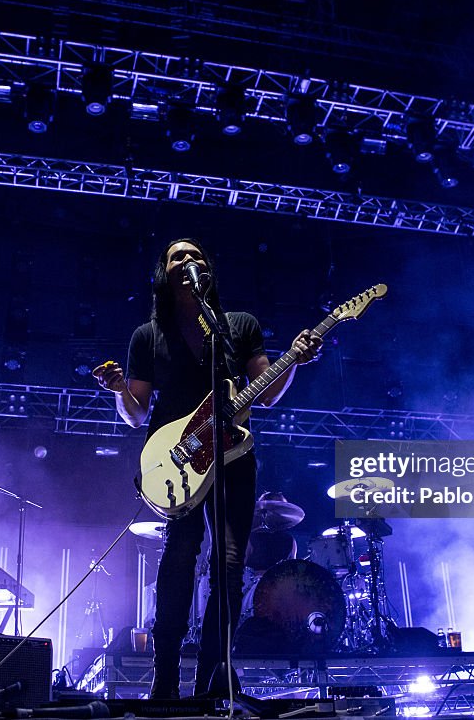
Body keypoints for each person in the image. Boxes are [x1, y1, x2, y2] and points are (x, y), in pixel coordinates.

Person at [94, 238, 322, 698]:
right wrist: (120, 389)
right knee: (180, 555)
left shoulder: (237, 327)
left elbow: (268, 391)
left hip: (233, 458)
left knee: (231, 565)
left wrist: (294, 360)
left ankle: (214, 674)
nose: (188, 262)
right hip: (174, 457)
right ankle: (164, 677)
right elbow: (136, 412)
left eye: (196, 256)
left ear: (208, 271)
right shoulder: (148, 335)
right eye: (178, 256)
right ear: (164, 272)